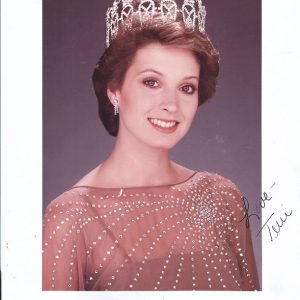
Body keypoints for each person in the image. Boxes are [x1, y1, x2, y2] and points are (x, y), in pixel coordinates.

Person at [43, 0, 260, 291]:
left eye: (186, 88)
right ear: (114, 91)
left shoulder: (222, 197)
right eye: (151, 82)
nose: (170, 105)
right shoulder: (71, 217)